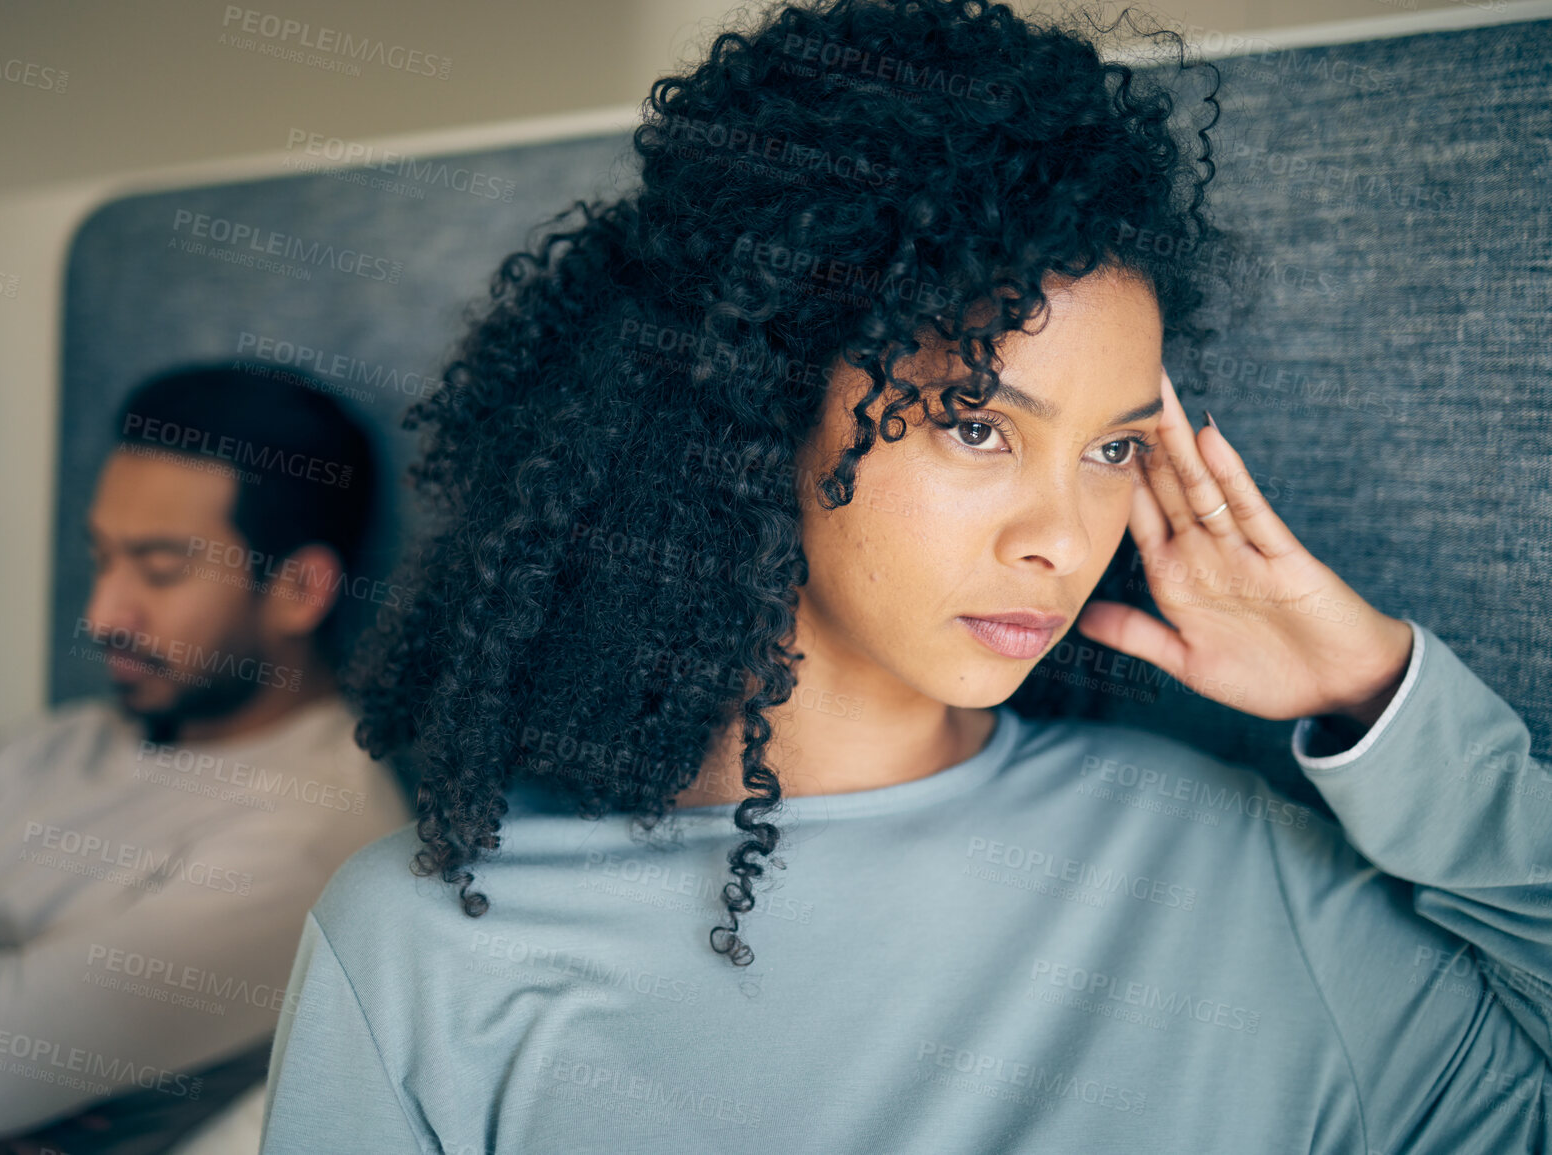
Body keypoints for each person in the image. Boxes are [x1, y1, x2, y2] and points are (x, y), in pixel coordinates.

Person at [259, 1, 1552, 1151]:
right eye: (977, 426)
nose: (1060, 534)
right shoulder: (427, 947)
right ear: (751, 406)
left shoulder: (1235, 865)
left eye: (1112, 449)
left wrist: (1383, 698)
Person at [0, 363, 412, 1153]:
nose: (102, 615)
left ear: (299, 589)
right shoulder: (57, 739)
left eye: (161, 568)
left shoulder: (323, 839)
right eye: (102, 558)